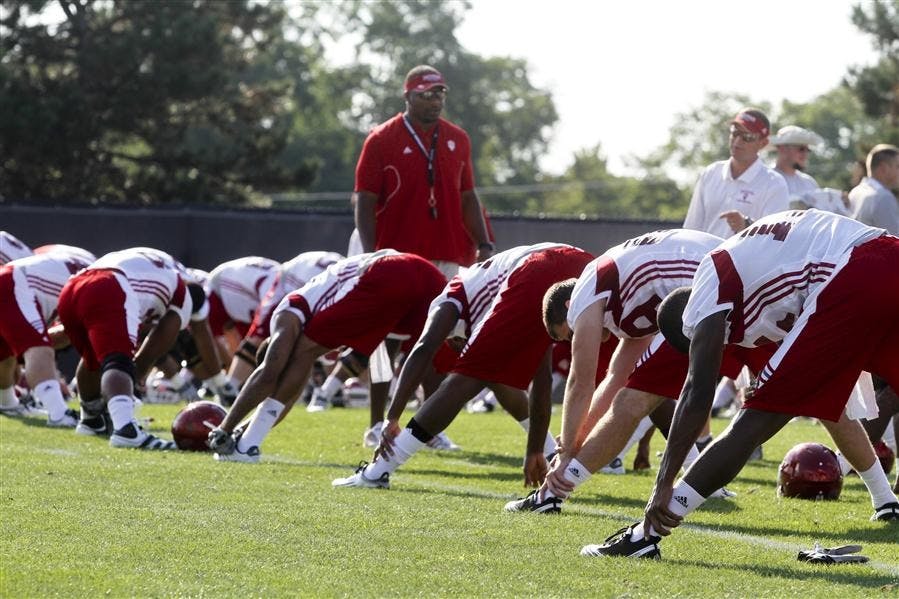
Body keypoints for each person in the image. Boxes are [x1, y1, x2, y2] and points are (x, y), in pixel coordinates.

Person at [587, 209, 899, 561]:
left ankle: (645, 535)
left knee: (751, 423)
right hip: (886, 253)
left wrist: (663, 483)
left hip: (854, 270)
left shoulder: (705, 291)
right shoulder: (749, 272)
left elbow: (697, 391)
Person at [504, 229, 745, 514]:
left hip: (714, 290)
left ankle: (552, 494)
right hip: (737, 287)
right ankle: (703, 481)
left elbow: (580, 383)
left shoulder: (587, 292)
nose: (574, 340)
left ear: (570, 307)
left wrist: (567, 450)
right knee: (762, 406)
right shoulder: (629, 296)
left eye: (569, 334)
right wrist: (574, 440)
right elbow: (615, 378)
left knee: (632, 401)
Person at [332, 243, 594, 489]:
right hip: (582, 264)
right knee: (614, 364)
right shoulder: (500, 292)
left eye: (457, 342)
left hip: (539, 267)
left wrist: (392, 417)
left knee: (465, 378)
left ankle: (378, 471)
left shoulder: (453, 296)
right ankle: (559, 455)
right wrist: (536, 448)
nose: (458, 347)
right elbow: (541, 380)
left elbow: (424, 349)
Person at [207, 250, 447, 463]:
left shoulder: (287, 314)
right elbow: (287, 398)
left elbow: (271, 371)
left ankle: (248, 446)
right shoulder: (305, 347)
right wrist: (242, 430)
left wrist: (225, 428)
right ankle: (401, 428)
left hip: (389, 270)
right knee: (435, 355)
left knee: (297, 358)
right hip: (424, 275)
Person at [57, 247, 210, 450]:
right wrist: (134, 381)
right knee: (118, 361)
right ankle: (125, 429)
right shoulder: (183, 294)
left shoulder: (159, 265)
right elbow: (153, 349)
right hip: (110, 284)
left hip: (73, 287)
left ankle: (91, 419)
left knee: (93, 356)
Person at [353, 65, 494, 280]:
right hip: (397, 254)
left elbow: (467, 196)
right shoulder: (381, 139)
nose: (435, 101)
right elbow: (365, 201)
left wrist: (484, 244)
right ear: (407, 96)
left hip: (446, 253)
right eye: (426, 95)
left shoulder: (458, 138)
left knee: (441, 312)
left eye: (440, 94)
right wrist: (371, 255)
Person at [0, 246, 96, 425]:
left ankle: (7, 402)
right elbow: (63, 337)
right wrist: (37, 348)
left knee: (5, 351)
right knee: (38, 348)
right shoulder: (98, 277)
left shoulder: (62, 264)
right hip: (13, 284)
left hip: (10, 281)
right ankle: (59, 413)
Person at [683, 108, 790, 238]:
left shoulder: (774, 183)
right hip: (705, 258)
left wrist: (746, 225)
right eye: (735, 133)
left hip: (747, 259)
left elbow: (775, 237)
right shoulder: (710, 173)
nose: (737, 141)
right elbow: (690, 230)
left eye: (747, 137)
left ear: (763, 143)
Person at [201, 256, 281, 404]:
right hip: (222, 288)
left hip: (244, 293)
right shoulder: (275, 289)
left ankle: (233, 385)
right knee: (254, 341)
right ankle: (226, 386)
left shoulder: (278, 285)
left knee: (259, 344)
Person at [849, 143, 899, 235]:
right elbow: (895, 240)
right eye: (897, 166)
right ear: (884, 168)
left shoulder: (855, 192)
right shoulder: (883, 197)